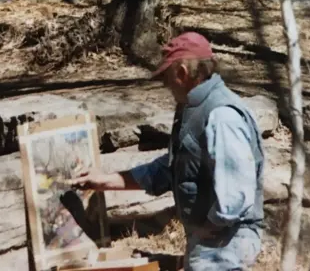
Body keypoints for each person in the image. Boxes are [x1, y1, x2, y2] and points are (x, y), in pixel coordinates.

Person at [72, 32, 265, 271]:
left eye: (167, 76)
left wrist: (205, 232)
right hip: (214, 240)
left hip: (226, 244)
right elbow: (171, 168)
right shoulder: (193, 108)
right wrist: (106, 180)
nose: (165, 84)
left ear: (183, 73)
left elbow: (236, 196)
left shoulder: (221, 115)